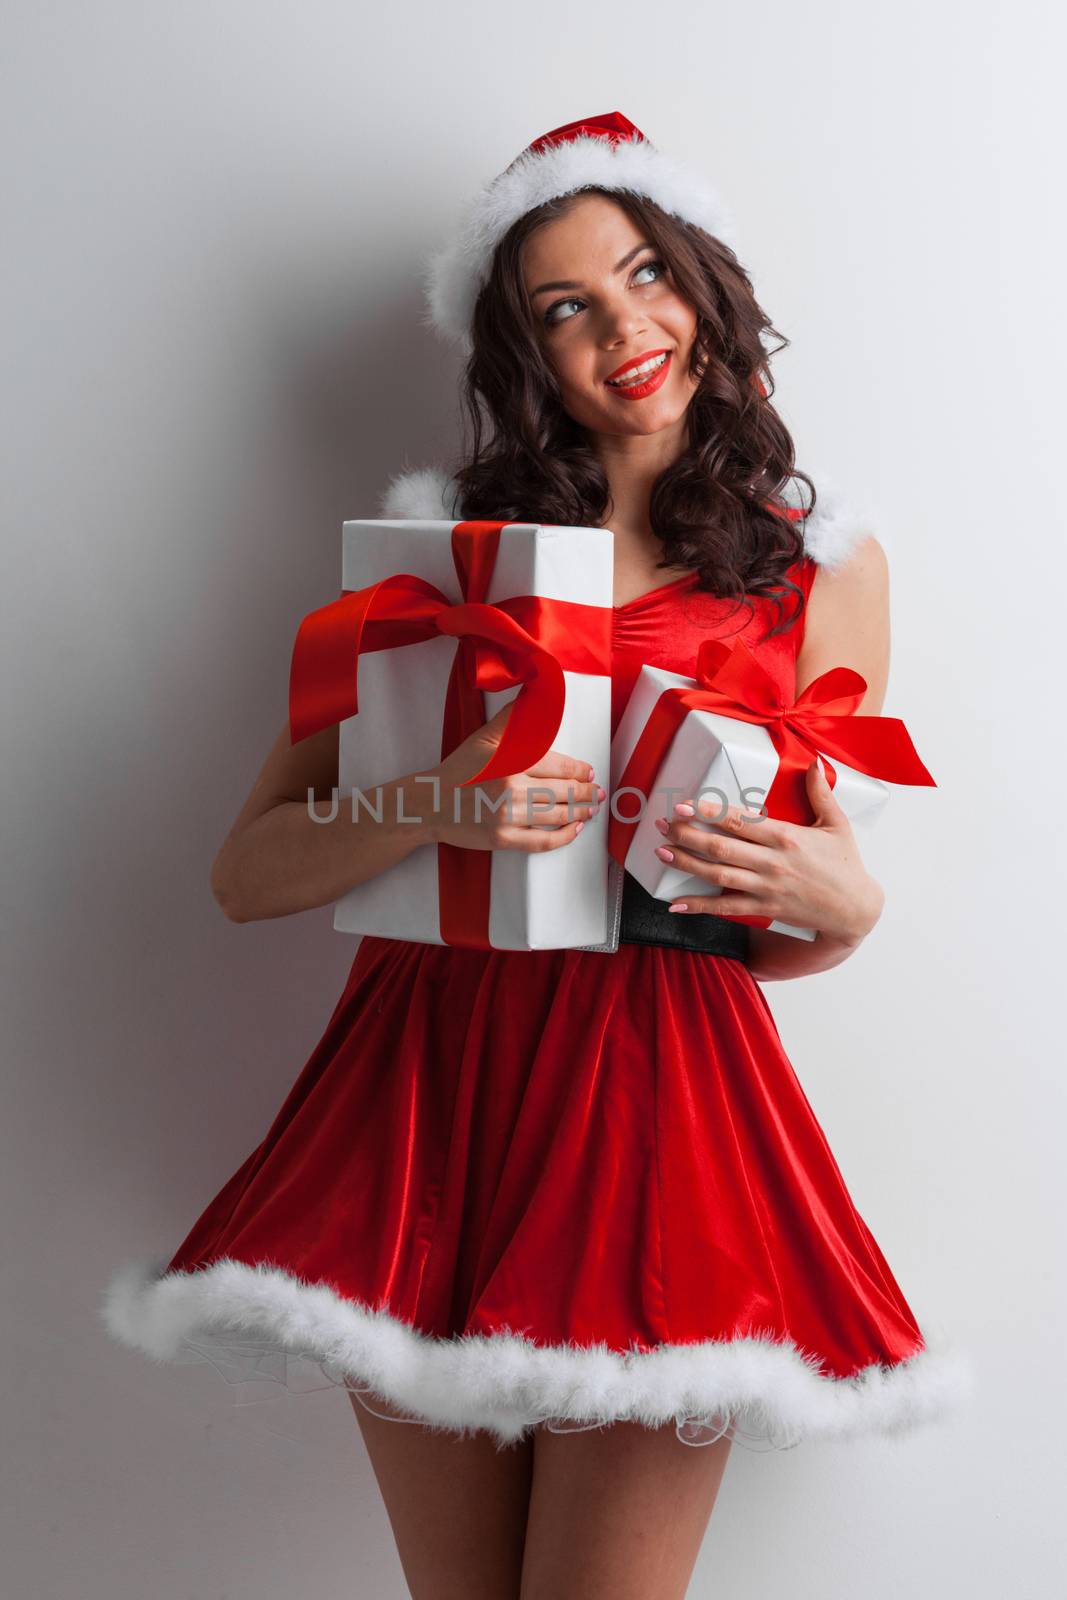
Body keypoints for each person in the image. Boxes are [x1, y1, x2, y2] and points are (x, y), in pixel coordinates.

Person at [102, 112, 972, 1599]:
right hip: (432, 1094)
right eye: (565, 306)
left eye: (646, 274)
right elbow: (245, 872)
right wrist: (433, 806)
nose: (623, 327)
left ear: (707, 287)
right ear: (519, 352)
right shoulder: (433, 557)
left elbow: (788, 912)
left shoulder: (820, 563)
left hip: (666, 1104)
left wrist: (850, 903)